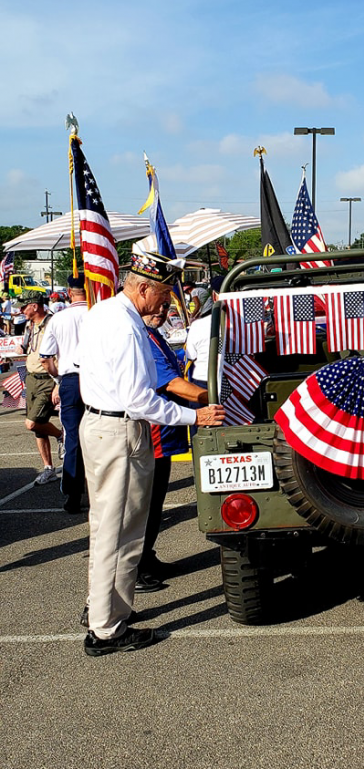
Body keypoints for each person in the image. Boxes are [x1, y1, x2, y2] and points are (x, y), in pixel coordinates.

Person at [77, 251, 225, 658]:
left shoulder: (103, 313)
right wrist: (195, 417)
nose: (167, 303)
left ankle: (103, 610)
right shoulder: (125, 327)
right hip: (120, 429)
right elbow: (140, 400)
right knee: (120, 531)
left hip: (102, 425)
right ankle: (105, 628)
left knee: (109, 526)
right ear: (142, 288)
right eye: (163, 295)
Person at [136, 312, 210, 589]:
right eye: (157, 305)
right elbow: (171, 383)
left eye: (166, 306)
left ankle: (147, 555)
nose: (162, 312)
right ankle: (138, 566)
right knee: (147, 504)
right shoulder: (143, 337)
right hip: (155, 432)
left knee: (155, 504)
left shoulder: (154, 334)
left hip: (165, 430)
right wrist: (211, 396)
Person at [39, 273, 88, 513]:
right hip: (97, 379)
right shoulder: (98, 313)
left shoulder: (58, 319)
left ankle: (73, 492)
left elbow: (45, 358)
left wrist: (58, 378)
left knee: (73, 438)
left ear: (69, 292)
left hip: (70, 379)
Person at [22, 295, 64, 484]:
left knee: (32, 422)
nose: (22, 312)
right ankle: (48, 468)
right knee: (38, 429)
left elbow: (60, 355)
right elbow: (26, 347)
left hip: (47, 379)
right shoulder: (29, 325)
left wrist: (57, 384)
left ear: (34, 306)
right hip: (31, 378)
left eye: (24, 308)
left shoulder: (52, 324)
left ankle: (61, 435)